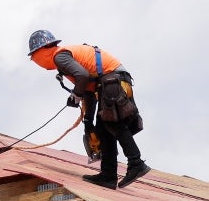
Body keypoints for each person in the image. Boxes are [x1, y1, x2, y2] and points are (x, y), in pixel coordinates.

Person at [27, 30, 150, 189]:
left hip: (113, 80)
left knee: (113, 124)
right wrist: (87, 120)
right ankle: (108, 175)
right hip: (111, 82)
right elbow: (90, 90)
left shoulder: (59, 56)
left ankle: (136, 163)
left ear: (40, 51)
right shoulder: (64, 57)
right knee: (103, 128)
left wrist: (76, 95)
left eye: (34, 56)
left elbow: (83, 76)